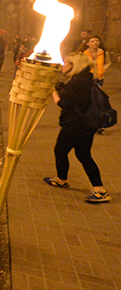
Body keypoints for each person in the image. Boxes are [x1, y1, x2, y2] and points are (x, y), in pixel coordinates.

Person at [44, 54, 110, 203]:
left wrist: (53, 92)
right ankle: (100, 189)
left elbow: (63, 104)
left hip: (75, 124)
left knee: (60, 150)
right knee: (84, 155)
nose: (62, 66)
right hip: (88, 124)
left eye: (65, 63)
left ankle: (61, 179)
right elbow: (77, 100)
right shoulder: (86, 80)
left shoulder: (77, 83)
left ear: (74, 65)